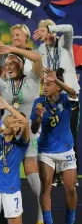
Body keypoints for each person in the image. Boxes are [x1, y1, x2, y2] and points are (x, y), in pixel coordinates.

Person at [0, 46, 44, 224]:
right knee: (3, 168)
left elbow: (38, 59)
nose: (9, 65)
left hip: (26, 131)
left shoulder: (32, 78)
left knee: (31, 169)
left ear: (22, 65)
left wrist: (13, 49)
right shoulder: (3, 83)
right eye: (6, 63)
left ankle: (41, 217)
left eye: (13, 62)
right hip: (7, 132)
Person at [31, 68, 78, 224]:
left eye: (49, 83)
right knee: (46, 187)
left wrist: (56, 79)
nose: (45, 86)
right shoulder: (38, 103)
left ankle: (70, 223)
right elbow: (33, 129)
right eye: (44, 83)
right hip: (46, 152)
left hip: (66, 150)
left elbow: (73, 93)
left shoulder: (65, 100)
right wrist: (38, 118)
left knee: (71, 189)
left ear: (58, 86)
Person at [33, 21, 80, 168]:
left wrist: (49, 29)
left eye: (50, 31)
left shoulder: (64, 44)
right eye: (44, 32)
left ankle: (71, 168)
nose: (48, 35)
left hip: (69, 96)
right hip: (52, 98)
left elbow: (70, 28)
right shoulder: (41, 49)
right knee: (50, 133)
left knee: (70, 133)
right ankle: (53, 172)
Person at [0, 97, 30, 224]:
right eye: (11, 118)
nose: (14, 121)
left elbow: (25, 122)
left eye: (17, 121)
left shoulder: (21, 145)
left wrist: (8, 107)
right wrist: (4, 125)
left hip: (11, 188)